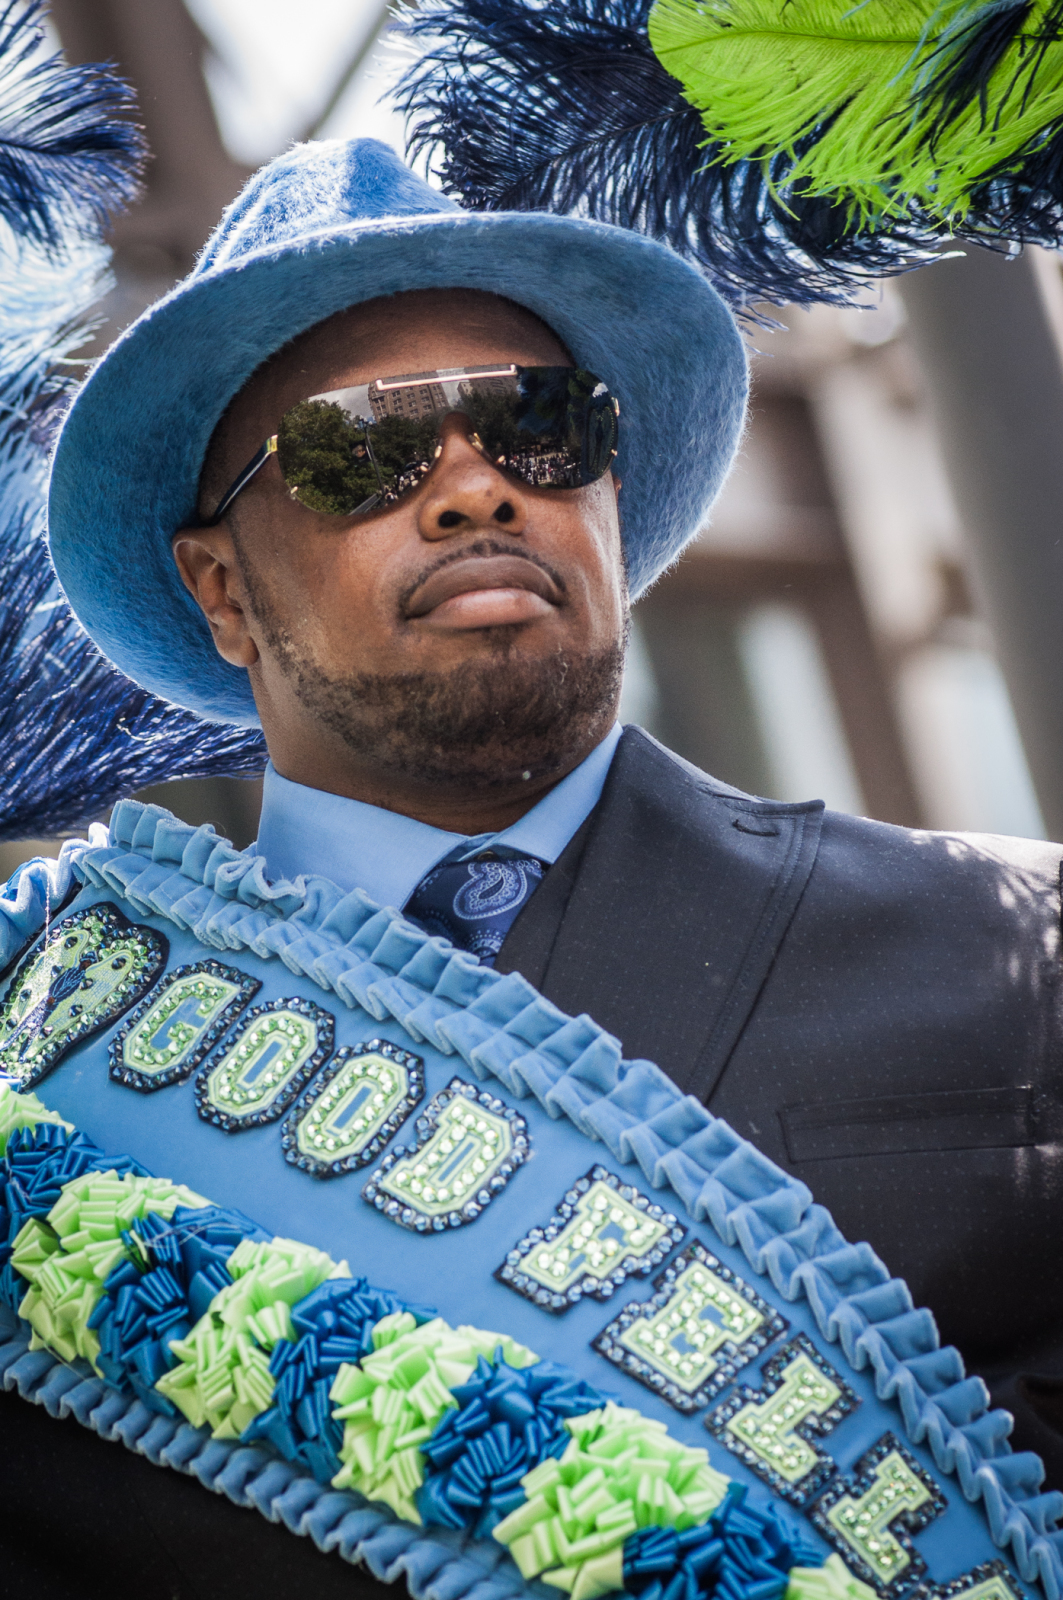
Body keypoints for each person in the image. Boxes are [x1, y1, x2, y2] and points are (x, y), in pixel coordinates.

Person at [3, 135, 1061, 1596]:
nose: (474, 490)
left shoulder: (1022, 949)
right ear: (222, 589)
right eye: (363, 446)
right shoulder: (57, 1073)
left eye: (539, 426)